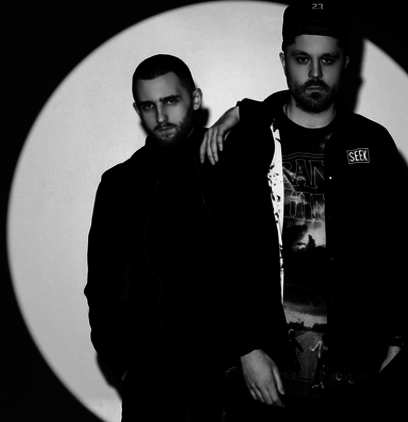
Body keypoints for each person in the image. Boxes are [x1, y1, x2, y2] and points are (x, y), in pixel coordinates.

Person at [200, 1, 408, 420]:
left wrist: (398, 340)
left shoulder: (373, 144)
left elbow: (399, 252)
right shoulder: (248, 143)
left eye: (327, 60)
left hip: (354, 378)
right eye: (302, 59)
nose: (315, 73)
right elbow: (219, 255)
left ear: (346, 63)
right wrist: (245, 349)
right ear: (284, 61)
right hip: (264, 376)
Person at [84, 54, 290, 421]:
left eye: (170, 101)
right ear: (137, 110)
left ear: (194, 99)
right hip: (155, 389)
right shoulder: (120, 184)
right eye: (148, 106)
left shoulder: (231, 158)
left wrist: (239, 112)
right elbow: (103, 290)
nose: (161, 116)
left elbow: (298, 103)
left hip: (234, 382)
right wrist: (129, 369)